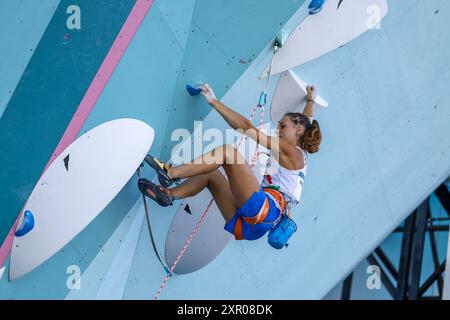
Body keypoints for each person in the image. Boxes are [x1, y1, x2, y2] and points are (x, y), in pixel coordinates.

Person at [138, 84, 322, 241]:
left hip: (264, 210)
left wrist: (214, 102)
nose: (277, 130)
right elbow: (307, 121)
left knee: (228, 153)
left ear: (298, 131)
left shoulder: (290, 151)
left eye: (282, 126)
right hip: (254, 228)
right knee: (211, 174)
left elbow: (248, 129)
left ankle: (169, 173)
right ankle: (169, 194)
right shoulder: (301, 154)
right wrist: (310, 100)